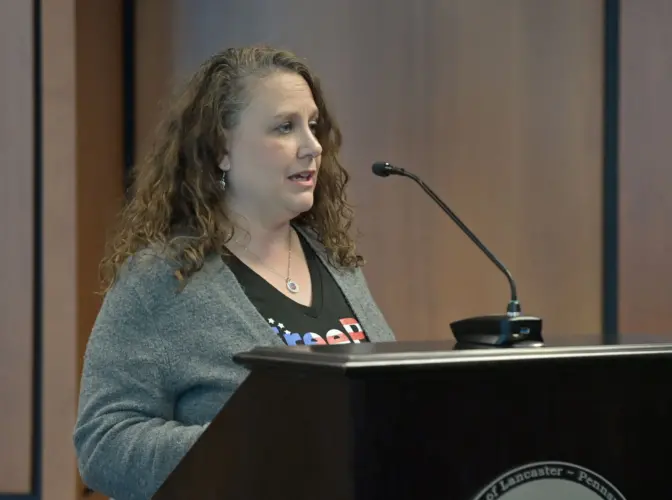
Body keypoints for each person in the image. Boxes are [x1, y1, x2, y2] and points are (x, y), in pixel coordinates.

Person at [73, 45, 395, 499]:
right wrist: (245, 448)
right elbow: (103, 444)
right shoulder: (162, 279)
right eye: (285, 127)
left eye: (313, 125)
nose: (313, 146)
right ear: (222, 148)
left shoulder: (336, 262)